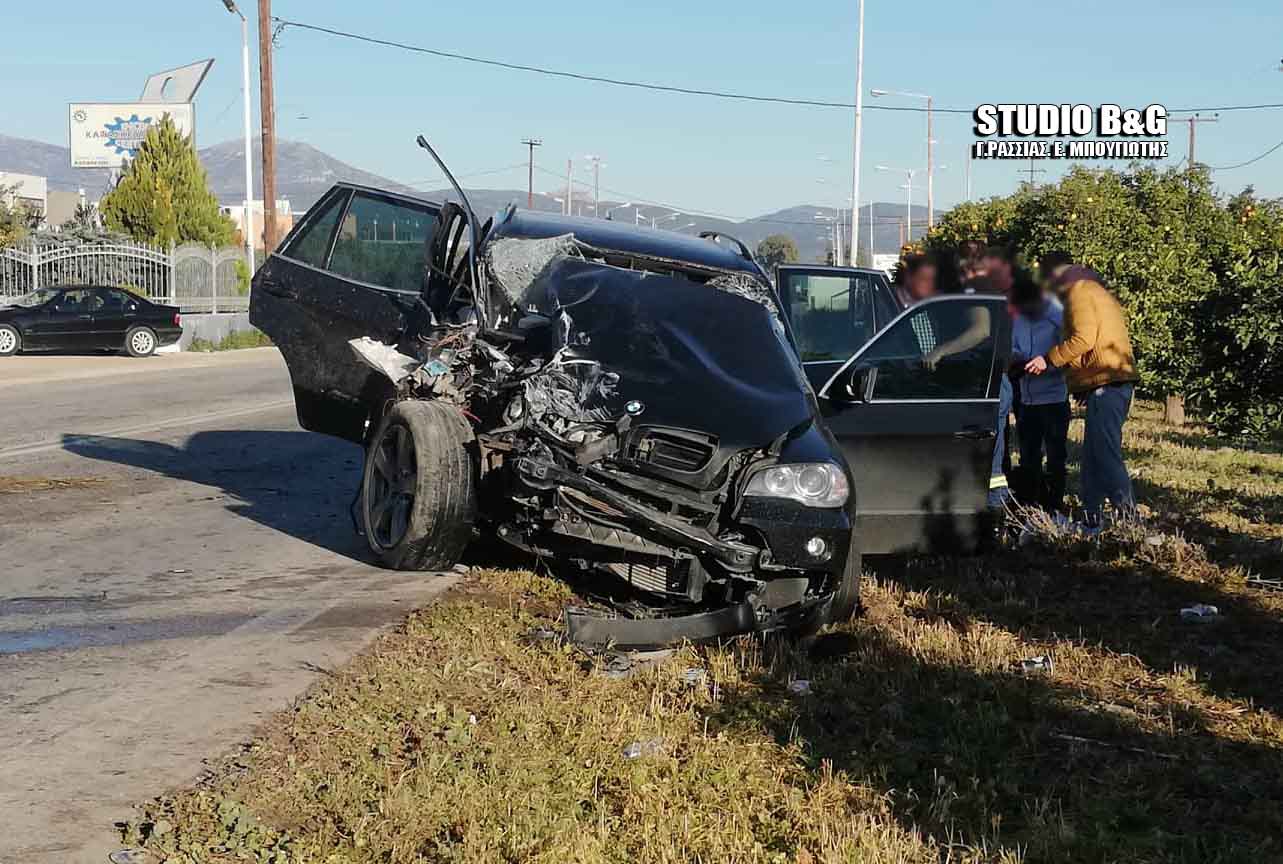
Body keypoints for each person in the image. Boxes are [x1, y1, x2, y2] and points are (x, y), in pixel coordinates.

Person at [1024, 252, 1140, 524]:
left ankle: (1129, 519)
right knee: (1092, 457)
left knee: (1105, 454)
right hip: (1105, 381)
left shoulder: (1079, 291)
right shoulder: (1091, 287)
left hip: (1108, 383)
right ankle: (1091, 517)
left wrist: (1049, 359)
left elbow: (1084, 338)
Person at [1008, 276, 1069, 513]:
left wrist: (1049, 362)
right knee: (1029, 455)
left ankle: (1054, 504)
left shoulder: (1055, 312)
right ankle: (1031, 504)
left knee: (1056, 456)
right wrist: (1016, 358)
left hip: (1053, 396)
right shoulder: (1019, 319)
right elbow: (1014, 346)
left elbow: (1068, 347)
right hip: (1026, 397)